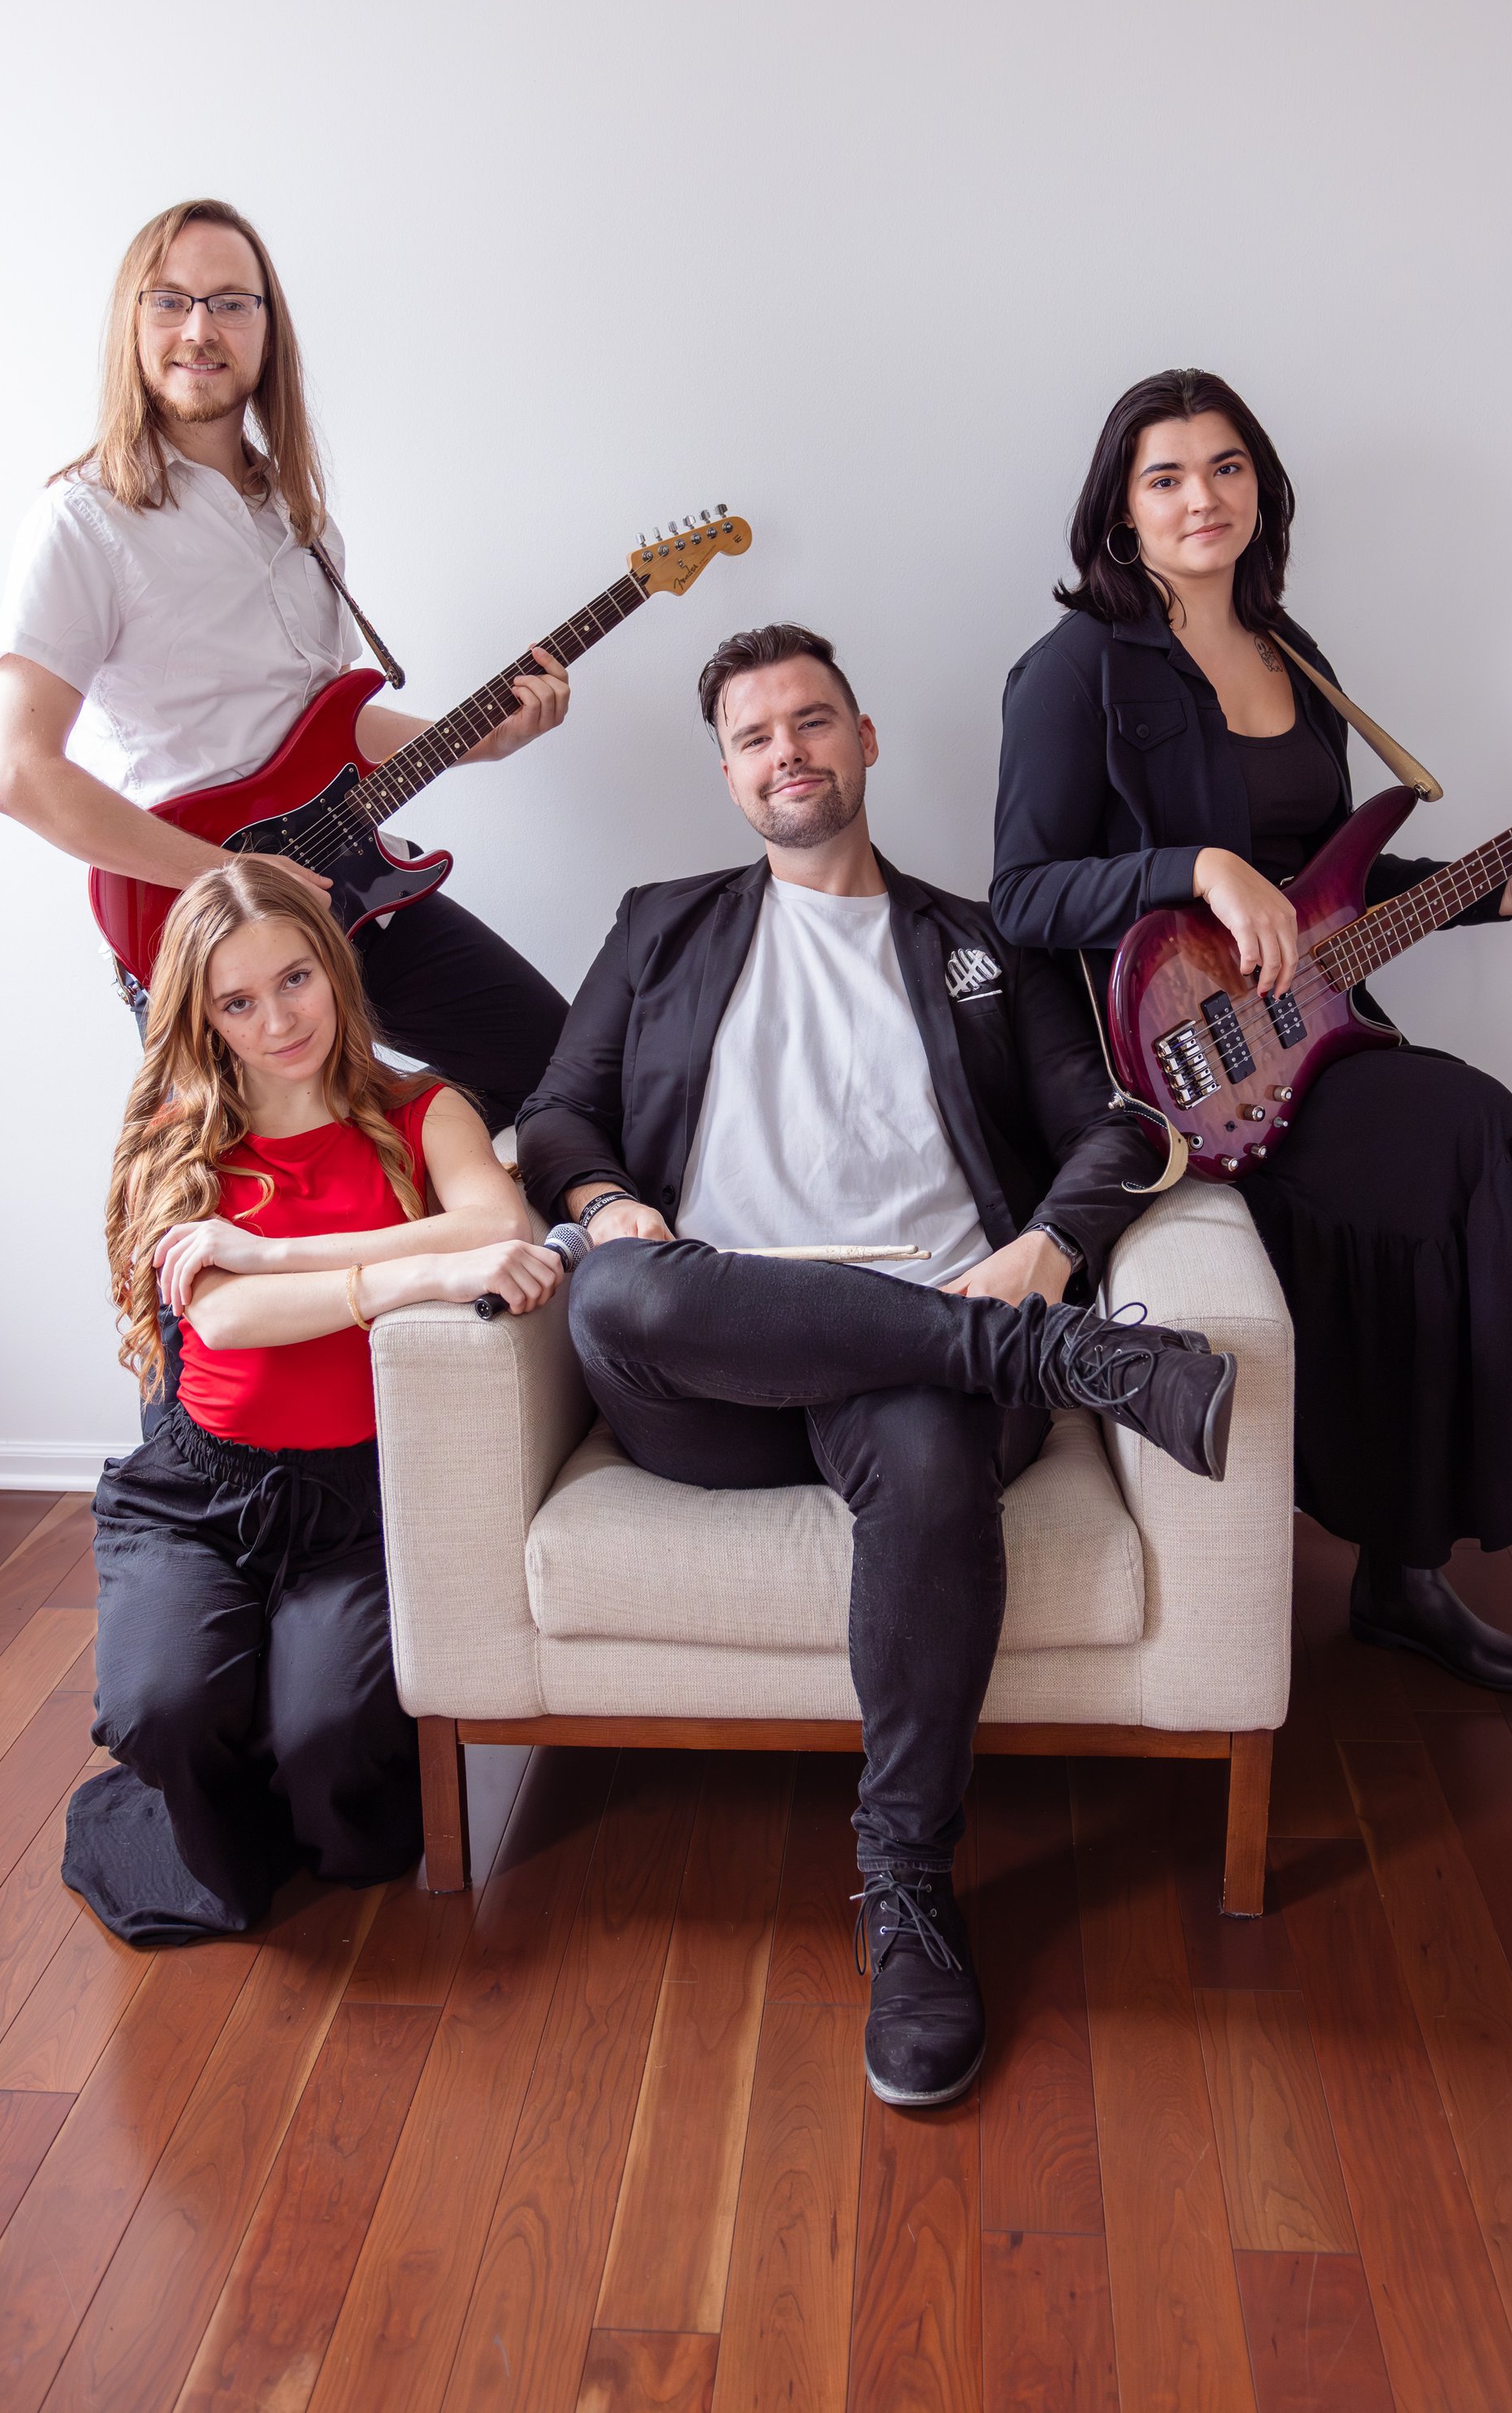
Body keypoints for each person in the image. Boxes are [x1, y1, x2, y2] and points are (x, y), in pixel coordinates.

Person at [517, 622, 1237, 2111]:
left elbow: (1114, 1123)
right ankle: (1062, 1361)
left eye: (814, 719)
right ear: (726, 774)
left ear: (866, 737)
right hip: (712, 1366)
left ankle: (908, 1891)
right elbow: (561, 1116)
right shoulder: (659, 924)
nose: (790, 750)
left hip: (921, 1361)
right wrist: (603, 1206)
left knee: (918, 1440)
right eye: (757, 735)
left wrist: (1047, 1243)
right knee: (618, 1298)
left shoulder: (982, 945)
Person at [992, 368, 1512, 1700]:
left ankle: (1408, 1577)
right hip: (1179, 1060)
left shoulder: (1302, 657)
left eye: (1226, 467)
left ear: (1262, 489)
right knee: (1472, 1126)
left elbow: (1329, 898)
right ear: (1121, 508)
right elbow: (1021, 892)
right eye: (1166, 475)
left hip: (1311, 1028)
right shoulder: (1072, 671)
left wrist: (1497, 893)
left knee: (1448, 1176)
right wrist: (1195, 867)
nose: (1201, 497)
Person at [0, 195, 570, 1132]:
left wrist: (479, 742)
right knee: (243, 1194)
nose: (200, 328)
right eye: (169, 300)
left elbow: (322, 727)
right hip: (204, 922)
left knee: (559, 1063)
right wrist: (227, 875)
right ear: (132, 324)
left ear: (268, 329)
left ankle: (410, 1165)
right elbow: (21, 776)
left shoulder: (302, 525)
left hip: (342, 885)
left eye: (231, 302)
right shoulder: (82, 520)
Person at [66, 858, 563, 1945]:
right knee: (166, 1708)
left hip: (358, 1504)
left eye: (295, 980)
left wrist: (263, 1248)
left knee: (334, 1749)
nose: (278, 1020)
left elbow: (501, 1229)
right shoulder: (175, 1127)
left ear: (336, 968)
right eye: (238, 1002)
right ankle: (214, 1773)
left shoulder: (423, 1109)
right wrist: (407, 1276)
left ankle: (282, 1765)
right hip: (201, 1490)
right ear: (203, 1015)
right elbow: (231, 1320)